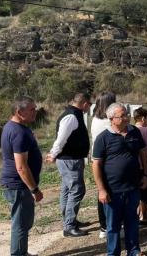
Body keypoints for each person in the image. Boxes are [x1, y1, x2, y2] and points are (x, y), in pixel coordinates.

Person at [92, 103, 147, 256]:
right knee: (113, 226)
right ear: (111, 119)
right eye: (122, 116)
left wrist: (146, 174)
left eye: (126, 114)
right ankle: (113, 253)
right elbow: (96, 164)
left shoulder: (134, 132)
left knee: (132, 222)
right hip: (112, 191)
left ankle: (134, 251)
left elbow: (143, 152)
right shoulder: (103, 138)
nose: (126, 118)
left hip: (133, 187)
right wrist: (101, 190)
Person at [0, 96, 43, 256]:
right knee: (21, 223)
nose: (35, 112)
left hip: (16, 185)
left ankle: (21, 252)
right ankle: (18, 253)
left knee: (22, 221)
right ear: (19, 112)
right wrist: (35, 189)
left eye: (35, 108)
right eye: (32, 109)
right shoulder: (19, 132)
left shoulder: (12, 127)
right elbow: (21, 166)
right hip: (18, 185)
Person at [46, 93, 91, 237]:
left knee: (67, 190)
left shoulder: (73, 114)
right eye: (89, 104)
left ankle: (69, 221)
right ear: (84, 103)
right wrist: (53, 154)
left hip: (71, 159)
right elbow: (61, 139)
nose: (89, 107)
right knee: (77, 190)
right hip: (69, 160)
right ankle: (69, 226)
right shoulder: (71, 116)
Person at [90, 91, 117, 239]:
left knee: (102, 192)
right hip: (109, 161)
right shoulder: (108, 122)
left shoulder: (95, 119)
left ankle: (104, 226)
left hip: (98, 160)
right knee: (109, 193)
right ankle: (109, 225)